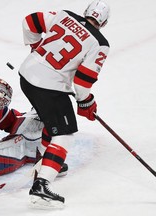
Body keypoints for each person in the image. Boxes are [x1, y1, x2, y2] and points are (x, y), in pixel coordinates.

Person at [18, 0, 110, 208]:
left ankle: (45, 163)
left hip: (26, 76)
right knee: (64, 134)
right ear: (103, 23)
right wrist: (86, 101)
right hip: (48, 86)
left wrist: (35, 47)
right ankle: (41, 185)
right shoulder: (99, 43)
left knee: (54, 120)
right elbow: (83, 81)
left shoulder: (64, 14)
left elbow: (29, 21)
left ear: (85, 12)